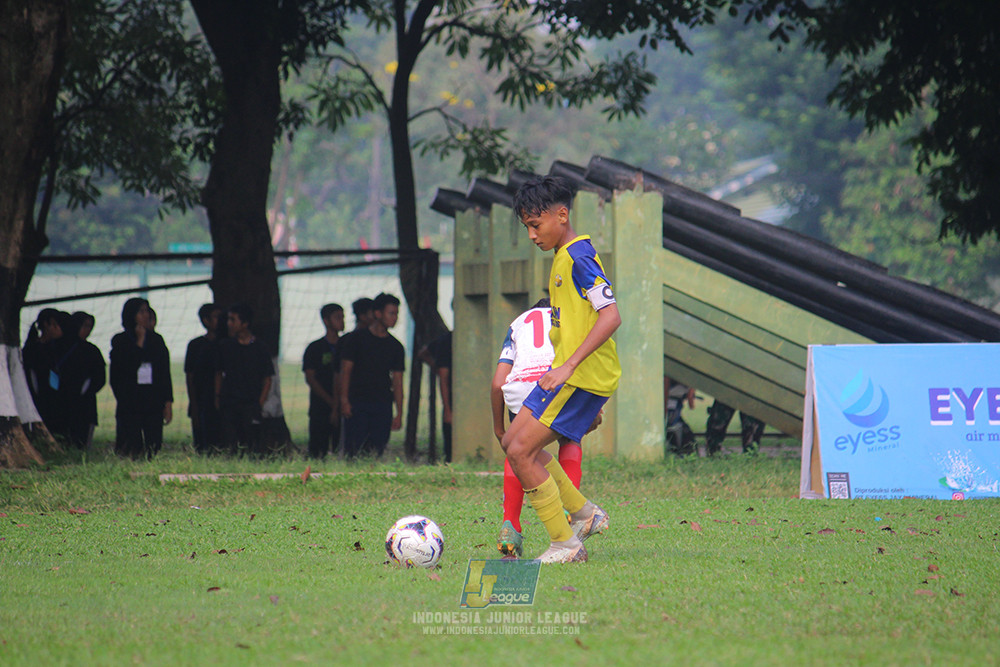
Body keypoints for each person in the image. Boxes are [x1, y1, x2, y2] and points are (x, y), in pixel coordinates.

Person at [503, 176, 620, 564]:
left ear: (562, 215)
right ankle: (585, 514)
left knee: (521, 450)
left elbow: (611, 316)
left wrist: (570, 369)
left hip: (578, 376)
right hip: (568, 375)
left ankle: (565, 544)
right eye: (527, 228)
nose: (533, 235)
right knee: (514, 445)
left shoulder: (579, 257)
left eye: (536, 225)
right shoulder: (563, 256)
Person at [492, 298, 600, 558]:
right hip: (554, 385)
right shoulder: (566, 318)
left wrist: (499, 429)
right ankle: (572, 511)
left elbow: (498, 384)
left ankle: (510, 525)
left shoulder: (518, 324)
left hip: (520, 391)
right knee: (570, 439)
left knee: (518, 449)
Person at [339, 292, 405, 459]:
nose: (395, 318)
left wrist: (399, 412)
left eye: (396, 313)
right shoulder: (356, 339)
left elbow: (398, 381)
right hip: (357, 403)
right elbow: (345, 371)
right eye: (391, 313)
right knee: (354, 450)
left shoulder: (396, 346)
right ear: (378, 313)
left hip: (382, 404)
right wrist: (344, 400)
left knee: (376, 450)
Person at [109, 298, 173, 459]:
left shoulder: (156, 340)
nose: (145, 315)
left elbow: (164, 373)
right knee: (131, 443)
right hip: (130, 399)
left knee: (153, 442)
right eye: (141, 311)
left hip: (153, 398)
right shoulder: (121, 341)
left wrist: (168, 401)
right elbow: (125, 368)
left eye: (147, 311)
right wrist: (139, 341)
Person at [215, 303, 274, 457]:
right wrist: (218, 396)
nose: (229, 324)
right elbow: (219, 373)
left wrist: (258, 404)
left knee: (251, 442)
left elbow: (267, 379)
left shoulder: (260, 348)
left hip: (250, 403)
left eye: (233, 320)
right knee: (229, 443)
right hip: (229, 402)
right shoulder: (225, 346)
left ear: (245, 323)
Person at [302, 303, 345, 459]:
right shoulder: (315, 348)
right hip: (320, 405)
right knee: (317, 449)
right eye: (337, 317)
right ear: (326, 321)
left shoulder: (347, 345)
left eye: (343, 317)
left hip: (344, 405)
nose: (342, 321)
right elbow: (310, 378)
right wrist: (331, 401)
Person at [61, 312, 106, 450]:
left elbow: (99, 379)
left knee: (82, 445)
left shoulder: (92, 351)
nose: (87, 330)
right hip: (63, 406)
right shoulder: (60, 347)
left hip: (85, 406)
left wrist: (86, 390)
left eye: (90, 327)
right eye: (84, 326)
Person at [22, 309, 71, 438]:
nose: (58, 329)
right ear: (45, 325)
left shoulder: (56, 348)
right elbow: (32, 378)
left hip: (55, 399)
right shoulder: (32, 350)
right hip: (41, 400)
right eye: (54, 324)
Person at [185, 304, 223, 454]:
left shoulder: (226, 344)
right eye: (216, 317)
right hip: (202, 399)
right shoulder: (196, 346)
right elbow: (190, 376)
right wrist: (193, 403)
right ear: (205, 321)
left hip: (223, 399)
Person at [418, 330, 452, 463]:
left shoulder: (445, 339)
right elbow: (443, 379)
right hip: (451, 400)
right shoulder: (446, 341)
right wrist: (448, 410)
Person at [664, 376, 697, 456]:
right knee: (672, 425)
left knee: (673, 424)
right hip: (671, 401)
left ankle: (680, 449)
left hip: (674, 401)